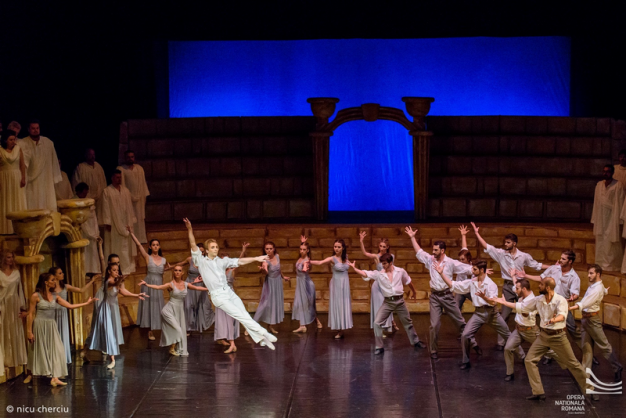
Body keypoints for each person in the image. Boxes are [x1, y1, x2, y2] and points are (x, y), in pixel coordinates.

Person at [493, 277, 595, 401]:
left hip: (558, 337)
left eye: (541, 284)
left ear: (548, 287)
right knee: (529, 360)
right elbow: (522, 307)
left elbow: (562, 315)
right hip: (543, 336)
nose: (538, 286)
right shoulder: (539, 299)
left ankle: (590, 389)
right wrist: (504, 303)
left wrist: (554, 320)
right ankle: (538, 392)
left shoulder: (560, 300)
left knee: (573, 363)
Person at [183, 218, 277, 349]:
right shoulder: (201, 261)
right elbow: (193, 244)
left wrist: (256, 258)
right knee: (240, 316)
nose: (215, 249)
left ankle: (261, 339)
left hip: (228, 291)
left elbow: (239, 261)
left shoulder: (222, 261)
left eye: (217, 247)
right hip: (218, 296)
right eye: (212, 247)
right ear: (207, 250)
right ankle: (264, 333)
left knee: (244, 314)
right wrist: (189, 229)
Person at [471, 222, 548, 350]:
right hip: (508, 286)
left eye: (508, 242)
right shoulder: (501, 254)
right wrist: (477, 233)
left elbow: (537, 265)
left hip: (521, 286)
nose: (505, 244)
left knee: (527, 312)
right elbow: (487, 246)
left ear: (514, 243)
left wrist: (554, 267)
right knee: (504, 315)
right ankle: (501, 342)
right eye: (505, 242)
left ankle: (534, 340)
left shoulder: (523, 256)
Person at [404, 226, 477, 359]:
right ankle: (433, 350)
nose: (433, 252)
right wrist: (412, 238)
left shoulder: (450, 263)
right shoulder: (430, 260)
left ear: (442, 250)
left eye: (436, 250)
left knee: (460, 322)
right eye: (433, 250)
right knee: (434, 325)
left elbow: (467, 268)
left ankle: (473, 342)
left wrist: (482, 271)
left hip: (447, 295)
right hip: (435, 297)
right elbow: (419, 252)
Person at [24, 273, 96, 386]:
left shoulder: (55, 295)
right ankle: (31, 373)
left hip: (51, 325)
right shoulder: (36, 296)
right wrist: (29, 331)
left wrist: (86, 303)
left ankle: (55, 377)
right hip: (40, 325)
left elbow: (70, 306)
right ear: (46, 282)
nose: (55, 282)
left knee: (58, 349)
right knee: (37, 350)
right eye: (52, 280)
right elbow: (30, 314)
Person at [435, 260, 510, 369]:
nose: (472, 271)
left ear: (482, 270)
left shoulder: (491, 284)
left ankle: (522, 357)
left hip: (492, 314)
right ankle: (466, 361)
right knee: (465, 335)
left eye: (474, 269)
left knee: (507, 335)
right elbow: (453, 285)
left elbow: (493, 302)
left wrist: (484, 297)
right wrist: (441, 274)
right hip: (478, 314)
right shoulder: (472, 282)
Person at [478, 278, 553, 381]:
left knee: (547, 350)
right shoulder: (522, 293)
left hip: (530, 331)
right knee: (508, 348)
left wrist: (505, 303)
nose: (515, 290)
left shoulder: (532, 301)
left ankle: (563, 359)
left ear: (524, 289)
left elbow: (525, 312)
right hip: (518, 330)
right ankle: (510, 373)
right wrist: (513, 277)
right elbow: (516, 286)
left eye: (517, 289)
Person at [514, 250, 582, 363]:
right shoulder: (554, 269)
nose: (560, 260)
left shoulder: (574, 277)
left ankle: (587, 353)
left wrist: (572, 298)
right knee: (546, 329)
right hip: (548, 305)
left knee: (573, 330)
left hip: (561, 306)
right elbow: (541, 278)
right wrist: (525, 275)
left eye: (564, 259)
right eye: (561, 257)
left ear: (570, 261)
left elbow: (575, 294)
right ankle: (549, 355)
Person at [349, 253, 425, 354]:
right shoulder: (379, 274)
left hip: (400, 301)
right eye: (382, 263)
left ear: (390, 262)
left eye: (385, 263)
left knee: (408, 322)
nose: (383, 265)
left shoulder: (400, 271)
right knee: (377, 323)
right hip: (388, 302)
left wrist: (414, 292)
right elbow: (366, 273)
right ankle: (379, 347)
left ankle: (416, 342)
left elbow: (408, 281)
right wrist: (355, 269)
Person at [81, 259, 147, 369]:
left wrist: (137, 295)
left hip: (108, 310)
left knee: (102, 332)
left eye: (117, 270)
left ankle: (84, 351)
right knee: (107, 333)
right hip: (104, 309)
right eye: (114, 270)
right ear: (109, 271)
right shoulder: (108, 281)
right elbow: (115, 284)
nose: (116, 272)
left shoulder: (116, 282)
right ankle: (112, 360)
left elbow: (123, 292)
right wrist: (120, 279)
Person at [569, 265, 623, 383]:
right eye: (588, 273)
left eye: (591, 273)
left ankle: (617, 367)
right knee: (586, 347)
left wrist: (570, 308)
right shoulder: (597, 286)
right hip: (585, 319)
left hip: (592, 320)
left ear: (598, 274)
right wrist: (605, 291)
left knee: (604, 346)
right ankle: (585, 374)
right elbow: (601, 290)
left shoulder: (597, 289)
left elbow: (586, 302)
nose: (588, 275)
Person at [139, 265, 208, 357]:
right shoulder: (170, 284)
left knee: (179, 330)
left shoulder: (186, 284)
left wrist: (210, 289)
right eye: (175, 270)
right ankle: (171, 348)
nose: (177, 272)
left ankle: (174, 347)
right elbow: (158, 287)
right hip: (168, 310)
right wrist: (146, 284)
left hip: (179, 311)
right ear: (173, 272)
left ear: (182, 272)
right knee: (178, 329)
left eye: (179, 270)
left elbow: (198, 288)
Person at [49, 267, 97, 364]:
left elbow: (81, 290)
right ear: (54, 276)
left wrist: (92, 281)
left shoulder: (65, 287)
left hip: (63, 314)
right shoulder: (49, 289)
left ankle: (63, 358)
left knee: (62, 335)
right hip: (52, 314)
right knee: (54, 336)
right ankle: (53, 359)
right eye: (60, 273)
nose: (63, 274)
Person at [130, 230, 170, 341]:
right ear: (150, 247)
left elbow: (163, 274)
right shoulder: (148, 257)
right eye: (153, 245)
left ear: (159, 247)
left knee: (158, 305)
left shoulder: (164, 260)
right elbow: (139, 245)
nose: (155, 246)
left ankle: (161, 328)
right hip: (148, 283)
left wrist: (163, 287)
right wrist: (132, 233)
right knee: (149, 305)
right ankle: (150, 331)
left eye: (157, 245)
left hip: (158, 284)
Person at [309, 238, 352, 339]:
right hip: (336, 284)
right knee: (338, 305)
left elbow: (348, 266)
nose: (336, 249)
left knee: (343, 305)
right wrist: (309, 261)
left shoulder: (346, 258)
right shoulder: (332, 258)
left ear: (343, 248)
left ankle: (342, 328)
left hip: (345, 285)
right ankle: (339, 329)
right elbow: (320, 262)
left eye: (339, 247)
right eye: (335, 247)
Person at [17, 120, 62, 211]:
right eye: (33, 128)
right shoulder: (22, 143)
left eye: (37, 128)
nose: (35, 130)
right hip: (30, 182)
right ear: (28, 129)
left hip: (46, 180)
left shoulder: (48, 143)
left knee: (46, 203)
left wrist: (55, 177)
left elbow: (54, 161)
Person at [358, 231, 397, 334]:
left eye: (384, 246)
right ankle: (380, 328)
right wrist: (361, 241)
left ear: (387, 247)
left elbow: (393, 270)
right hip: (378, 285)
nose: (382, 248)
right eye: (380, 246)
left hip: (387, 284)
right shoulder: (376, 256)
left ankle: (391, 323)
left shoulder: (391, 256)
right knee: (380, 305)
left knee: (388, 304)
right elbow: (365, 253)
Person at [100, 170, 137, 274]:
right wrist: (107, 222)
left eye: (120, 177)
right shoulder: (107, 191)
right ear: (112, 178)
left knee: (125, 246)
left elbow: (129, 207)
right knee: (115, 245)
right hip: (113, 223)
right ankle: (114, 268)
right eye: (117, 177)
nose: (119, 179)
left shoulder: (125, 191)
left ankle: (126, 266)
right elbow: (105, 208)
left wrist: (131, 220)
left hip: (125, 222)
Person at [215, 244, 249, 353]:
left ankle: (232, 344)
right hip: (220, 296)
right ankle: (221, 337)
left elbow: (239, 261)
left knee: (229, 319)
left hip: (229, 296)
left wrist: (243, 250)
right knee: (221, 318)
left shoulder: (232, 270)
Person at [175, 242, 215, 334]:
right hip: (189, 285)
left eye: (202, 252)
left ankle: (200, 325)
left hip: (199, 285)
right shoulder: (190, 259)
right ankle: (188, 327)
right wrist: (171, 267)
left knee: (202, 306)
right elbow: (180, 264)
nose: (201, 253)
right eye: (199, 251)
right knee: (188, 305)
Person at [591, 165, 624, 272]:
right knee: (601, 240)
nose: (606, 173)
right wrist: (594, 218)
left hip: (612, 217)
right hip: (601, 217)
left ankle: (611, 265)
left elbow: (620, 202)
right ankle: (600, 263)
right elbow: (596, 202)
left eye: (608, 171)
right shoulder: (599, 185)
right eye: (604, 171)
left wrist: (620, 219)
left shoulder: (618, 185)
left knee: (611, 241)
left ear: (612, 172)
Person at [253, 241, 290, 334]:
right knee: (264, 304)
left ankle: (270, 326)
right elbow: (265, 271)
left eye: (270, 248)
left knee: (274, 304)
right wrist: (263, 270)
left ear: (274, 249)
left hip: (277, 283)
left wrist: (283, 277)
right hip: (270, 284)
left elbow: (279, 269)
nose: (269, 250)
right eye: (267, 249)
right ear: (264, 250)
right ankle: (251, 326)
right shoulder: (265, 261)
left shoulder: (277, 256)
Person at [0, 251, 28, 369]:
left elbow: (19, 289)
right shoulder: (0, 273)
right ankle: (6, 359)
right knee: (4, 329)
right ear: (3, 259)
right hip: (3, 302)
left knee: (14, 328)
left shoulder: (16, 273)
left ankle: (16, 358)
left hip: (14, 303)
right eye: (8, 257)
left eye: (12, 257)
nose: (10, 259)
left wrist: (22, 306)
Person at [117, 150, 150, 243]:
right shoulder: (122, 169)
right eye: (128, 157)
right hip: (128, 199)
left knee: (139, 219)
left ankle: (141, 239)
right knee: (130, 218)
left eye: (132, 157)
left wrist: (144, 196)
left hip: (139, 198)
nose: (130, 159)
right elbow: (122, 184)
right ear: (125, 158)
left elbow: (143, 183)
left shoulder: (139, 169)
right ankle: (132, 239)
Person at [292, 237, 322, 333]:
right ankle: (304, 325)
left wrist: (305, 268)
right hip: (300, 283)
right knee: (299, 304)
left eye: (304, 249)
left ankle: (311, 323)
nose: (302, 251)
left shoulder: (307, 260)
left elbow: (305, 268)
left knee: (307, 305)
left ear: (308, 251)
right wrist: (303, 242)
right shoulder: (300, 258)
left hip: (306, 284)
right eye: (301, 249)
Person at [0, 129, 27, 234]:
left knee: (17, 199)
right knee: (5, 201)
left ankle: (19, 227)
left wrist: (23, 177)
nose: (13, 142)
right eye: (11, 140)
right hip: (4, 178)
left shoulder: (18, 149)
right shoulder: (0, 150)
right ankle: (5, 228)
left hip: (16, 178)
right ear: (5, 140)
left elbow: (22, 164)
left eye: (14, 139)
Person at [72, 148, 107, 219]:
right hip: (87, 199)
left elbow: (103, 182)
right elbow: (77, 184)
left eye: (93, 154)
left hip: (98, 200)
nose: (92, 156)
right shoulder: (81, 167)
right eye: (90, 155)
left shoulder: (98, 167)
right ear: (86, 156)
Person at [74, 182, 101, 275]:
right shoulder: (74, 202)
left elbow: (94, 219)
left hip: (92, 232)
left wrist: (95, 232)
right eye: (83, 193)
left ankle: (94, 270)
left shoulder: (88, 202)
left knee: (92, 251)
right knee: (84, 252)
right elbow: (80, 220)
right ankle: (84, 271)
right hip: (82, 232)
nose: (85, 195)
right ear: (78, 192)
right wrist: (89, 233)